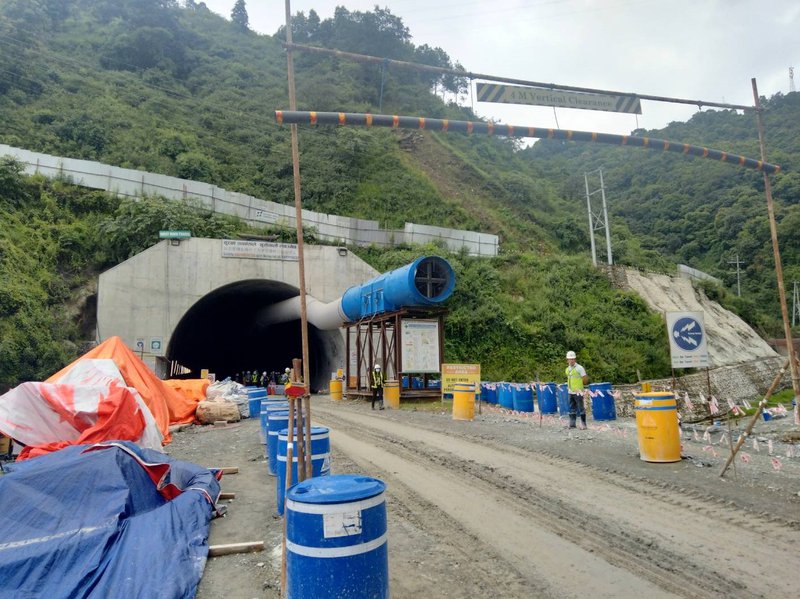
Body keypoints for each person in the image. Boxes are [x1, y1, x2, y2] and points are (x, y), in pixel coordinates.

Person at [565, 350, 588, 429]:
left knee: (581, 408)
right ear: (567, 360)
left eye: (572, 359)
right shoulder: (567, 369)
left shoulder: (580, 368)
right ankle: (572, 424)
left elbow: (585, 380)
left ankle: (583, 425)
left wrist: (580, 387)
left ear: (575, 359)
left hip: (578, 392)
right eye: (569, 359)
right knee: (572, 408)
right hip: (570, 391)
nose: (571, 360)